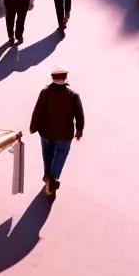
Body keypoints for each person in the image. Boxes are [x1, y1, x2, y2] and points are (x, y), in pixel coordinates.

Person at [29, 66, 85, 199]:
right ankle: (53, 179)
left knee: (47, 154)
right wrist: (79, 129)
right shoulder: (73, 95)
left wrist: (33, 127)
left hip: (46, 132)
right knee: (61, 155)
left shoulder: (45, 92)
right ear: (65, 79)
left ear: (53, 79)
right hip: (64, 134)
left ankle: (47, 175)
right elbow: (79, 114)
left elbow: (38, 111)